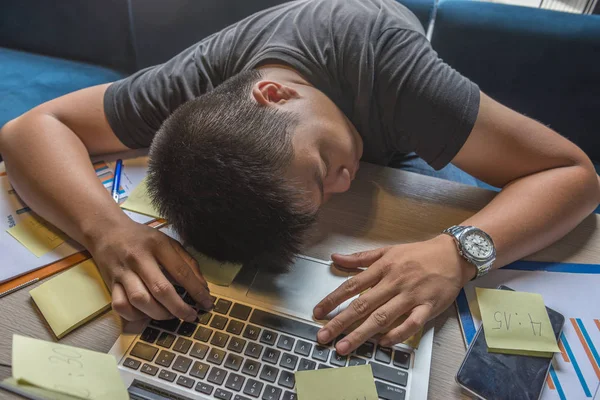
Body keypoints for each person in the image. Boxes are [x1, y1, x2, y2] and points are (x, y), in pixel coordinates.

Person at [1, 0, 598, 357]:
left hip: (379, 67)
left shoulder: (394, 72)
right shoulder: (196, 89)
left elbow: (574, 174)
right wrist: (111, 233)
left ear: (275, 93)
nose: (345, 182)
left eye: (320, 168)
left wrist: (458, 254)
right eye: (319, 192)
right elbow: (31, 128)